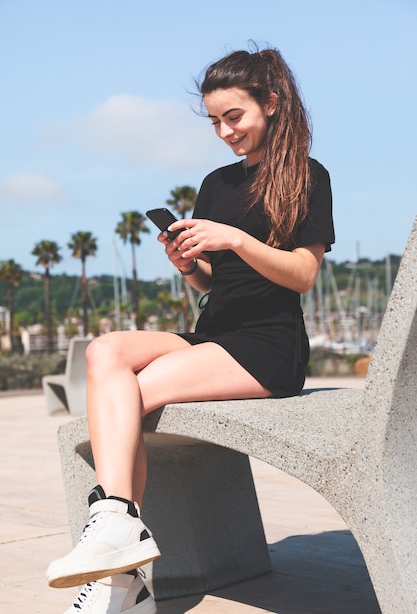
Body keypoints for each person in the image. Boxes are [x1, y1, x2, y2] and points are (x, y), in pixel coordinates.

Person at [47, 45, 335, 614]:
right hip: (215, 334)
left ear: (271, 104)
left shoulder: (308, 176)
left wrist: (233, 239)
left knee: (136, 391)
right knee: (106, 352)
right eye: (216, 121)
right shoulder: (216, 183)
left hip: (267, 346)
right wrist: (189, 266)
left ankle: (122, 567)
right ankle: (118, 530)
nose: (226, 131)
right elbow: (212, 287)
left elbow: (302, 275)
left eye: (236, 116)